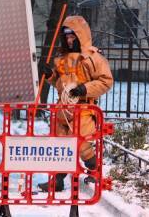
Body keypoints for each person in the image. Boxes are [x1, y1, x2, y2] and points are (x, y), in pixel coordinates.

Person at [38, 16, 113, 191]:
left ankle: (95, 172)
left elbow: (106, 81)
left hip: (84, 108)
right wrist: (50, 76)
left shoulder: (93, 58)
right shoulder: (61, 59)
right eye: (66, 36)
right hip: (63, 108)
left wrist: (84, 89)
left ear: (81, 35)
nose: (69, 39)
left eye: (73, 36)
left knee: (81, 143)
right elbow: (59, 82)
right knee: (61, 146)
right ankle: (57, 180)